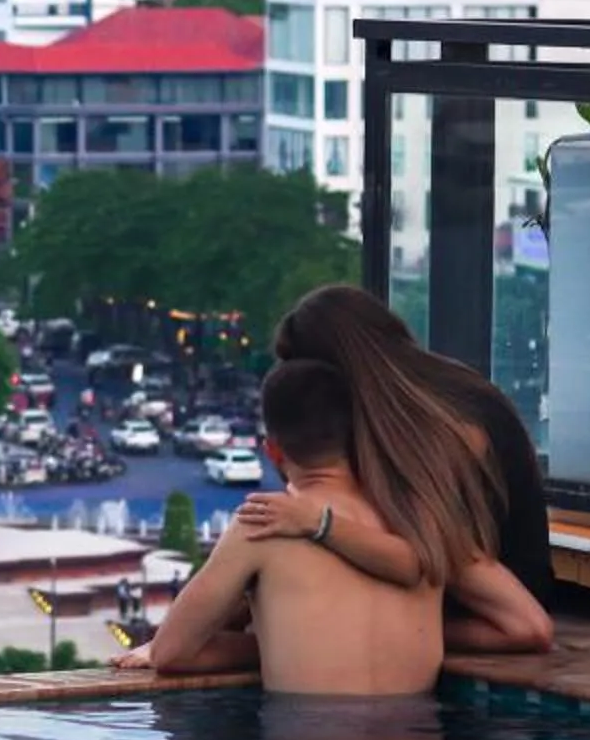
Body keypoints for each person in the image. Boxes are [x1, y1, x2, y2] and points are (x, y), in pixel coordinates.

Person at [114, 359, 443, 696]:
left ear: (271, 450)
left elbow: (171, 652)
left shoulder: (263, 523)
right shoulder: (416, 519)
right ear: (357, 438)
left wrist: (271, 646)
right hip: (420, 725)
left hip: (309, 728)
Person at [263, 283, 552, 604]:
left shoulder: (440, 426)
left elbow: (427, 552)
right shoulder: (446, 394)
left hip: (487, 601)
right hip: (499, 588)